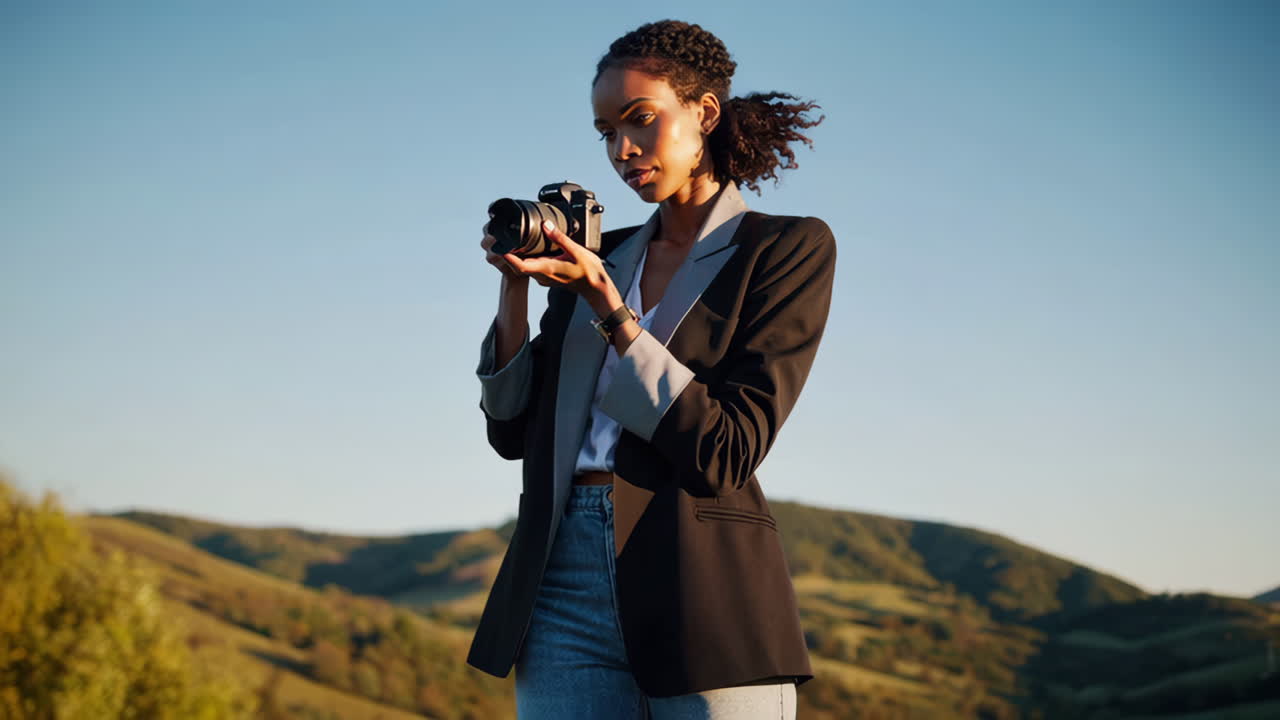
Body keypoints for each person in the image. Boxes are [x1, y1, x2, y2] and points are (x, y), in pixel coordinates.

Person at [467, 19, 835, 720]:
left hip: (703, 579)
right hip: (559, 578)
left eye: (640, 121)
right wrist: (514, 284)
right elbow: (511, 433)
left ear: (703, 113)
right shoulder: (602, 257)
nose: (622, 150)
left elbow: (726, 450)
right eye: (606, 131)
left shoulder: (785, 248)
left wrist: (608, 306)